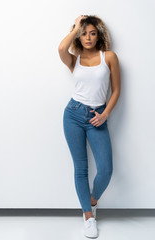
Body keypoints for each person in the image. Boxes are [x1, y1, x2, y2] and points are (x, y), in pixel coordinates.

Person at [58, 14, 121, 238]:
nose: (87, 37)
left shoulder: (109, 57)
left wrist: (104, 115)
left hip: (97, 117)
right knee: (81, 169)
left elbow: (116, 91)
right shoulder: (74, 59)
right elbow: (61, 48)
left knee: (105, 169)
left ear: (99, 35)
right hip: (73, 115)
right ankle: (88, 216)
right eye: (83, 33)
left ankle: (92, 200)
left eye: (92, 33)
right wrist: (77, 26)